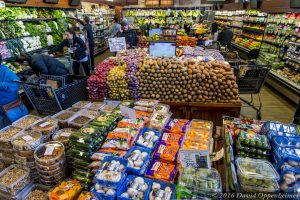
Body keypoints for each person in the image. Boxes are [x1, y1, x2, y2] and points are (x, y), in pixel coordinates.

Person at [0, 54, 20, 128]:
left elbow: (16, 84)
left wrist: (1, 85)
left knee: (14, 127)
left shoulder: (5, 71)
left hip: (9, 107)